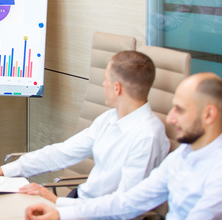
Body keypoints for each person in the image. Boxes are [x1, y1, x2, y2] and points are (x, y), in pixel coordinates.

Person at [0, 51, 170, 206]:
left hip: (98, 213)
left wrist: (58, 203)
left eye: (105, 80)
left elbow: (125, 205)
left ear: (117, 88)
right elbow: (62, 153)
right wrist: (3, 171)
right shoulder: (110, 118)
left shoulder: (147, 136)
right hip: (80, 202)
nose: (103, 84)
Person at [25, 72, 222, 220]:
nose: (170, 118)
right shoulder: (182, 156)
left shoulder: (217, 173)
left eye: (179, 109)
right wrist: (60, 211)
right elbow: (130, 201)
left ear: (209, 115)